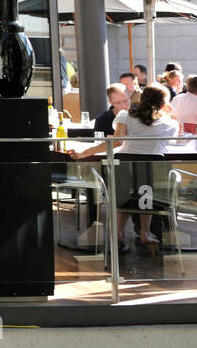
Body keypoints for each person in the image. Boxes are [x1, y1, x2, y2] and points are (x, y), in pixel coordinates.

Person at [73, 84, 178, 252]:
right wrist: (170, 114)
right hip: (151, 179)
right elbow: (171, 141)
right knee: (145, 189)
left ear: (141, 99)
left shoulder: (124, 116)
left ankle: (119, 233)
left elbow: (116, 141)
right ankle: (145, 232)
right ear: (164, 104)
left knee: (126, 193)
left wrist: (86, 152)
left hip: (122, 171)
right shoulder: (170, 124)